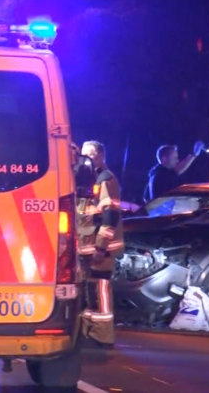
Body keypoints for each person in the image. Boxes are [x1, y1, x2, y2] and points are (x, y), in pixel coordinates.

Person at [77, 140, 124, 347]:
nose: (83, 159)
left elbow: (110, 215)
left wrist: (101, 246)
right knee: (89, 289)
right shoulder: (90, 179)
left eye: (88, 155)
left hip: (101, 248)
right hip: (89, 245)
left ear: (98, 156)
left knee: (100, 288)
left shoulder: (105, 179)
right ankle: (90, 332)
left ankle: (103, 335)